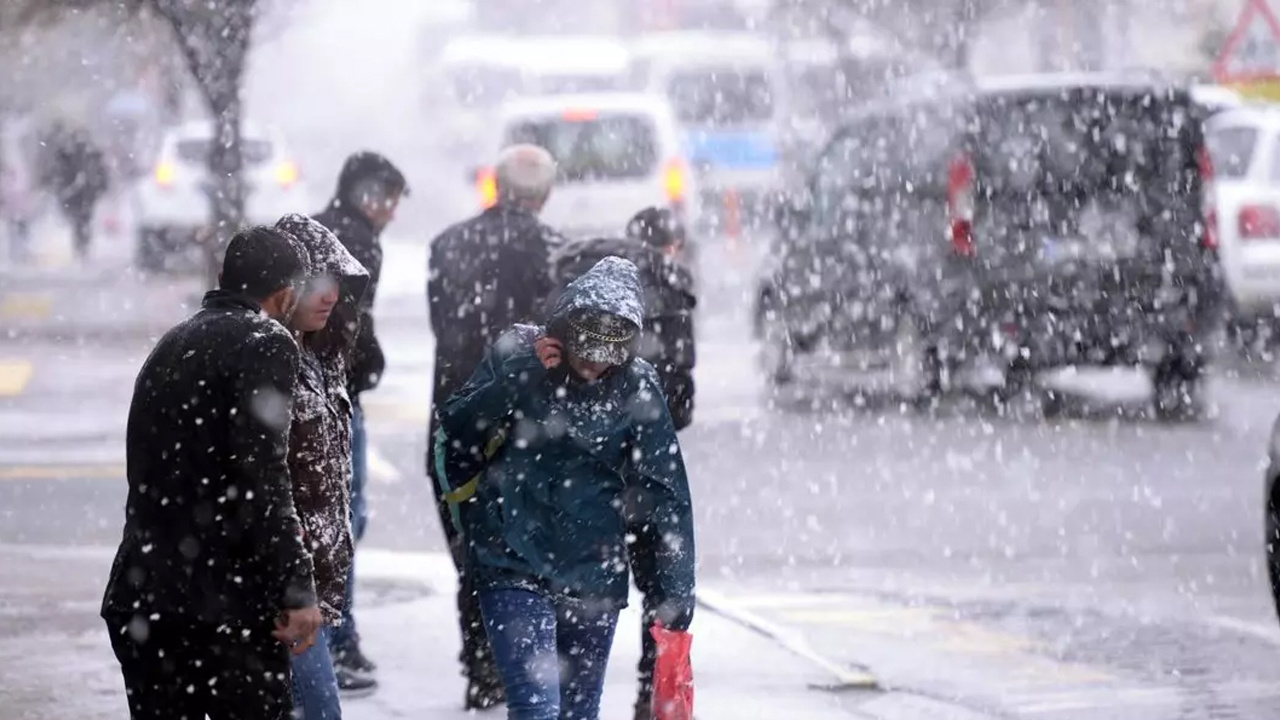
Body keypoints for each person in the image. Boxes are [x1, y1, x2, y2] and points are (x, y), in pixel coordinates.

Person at [436, 256, 697, 720]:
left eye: (607, 357)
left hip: (592, 573)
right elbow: (458, 427)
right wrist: (522, 373)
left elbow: (666, 497)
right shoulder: (520, 351)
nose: (594, 367)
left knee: (579, 712)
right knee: (536, 708)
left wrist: (674, 599)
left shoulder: (637, 385)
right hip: (511, 559)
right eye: (586, 353)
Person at [101, 225, 321, 720]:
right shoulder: (266, 341)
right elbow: (262, 477)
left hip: (146, 596)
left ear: (223, 276)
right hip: (218, 609)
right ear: (286, 293)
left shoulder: (173, 342)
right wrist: (296, 588)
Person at [426, 143, 562, 709]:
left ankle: (481, 666)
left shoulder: (446, 245)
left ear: (496, 186)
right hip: (525, 422)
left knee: (469, 548)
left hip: (455, 418)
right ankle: (520, 668)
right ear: (544, 193)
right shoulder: (552, 252)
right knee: (526, 556)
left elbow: (444, 326)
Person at [550, 207, 699, 720]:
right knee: (657, 580)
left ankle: (516, 674)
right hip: (641, 469)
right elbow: (682, 389)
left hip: (583, 480)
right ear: (670, 246)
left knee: (580, 587)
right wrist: (646, 424)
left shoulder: (575, 282)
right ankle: (648, 684)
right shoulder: (672, 288)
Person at [313, 150, 408, 691]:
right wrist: (370, 366)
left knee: (331, 521)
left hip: (320, 392)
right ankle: (332, 644)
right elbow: (353, 325)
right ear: (367, 194)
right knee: (343, 522)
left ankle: (338, 639)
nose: (392, 213)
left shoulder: (321, 230)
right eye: (389, 200)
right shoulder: (356, 241)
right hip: (336, 397)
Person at [274, 213, 371, 719]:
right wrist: (292, 587)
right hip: (289, 593)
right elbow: (267, 485)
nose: (329, 295)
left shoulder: (323, 357)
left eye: (335, 282)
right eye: (315, 282)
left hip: (314, 592)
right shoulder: (269, 361)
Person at [37, 121, 108, 259]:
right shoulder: (72, 156)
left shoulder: (89, 156)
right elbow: (61, 172)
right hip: (78, 195)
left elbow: (100, 173)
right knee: (79, 221)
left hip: (86, 194)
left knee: (83, 220)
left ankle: (82, 246)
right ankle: (81, 246)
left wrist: (97, 185)